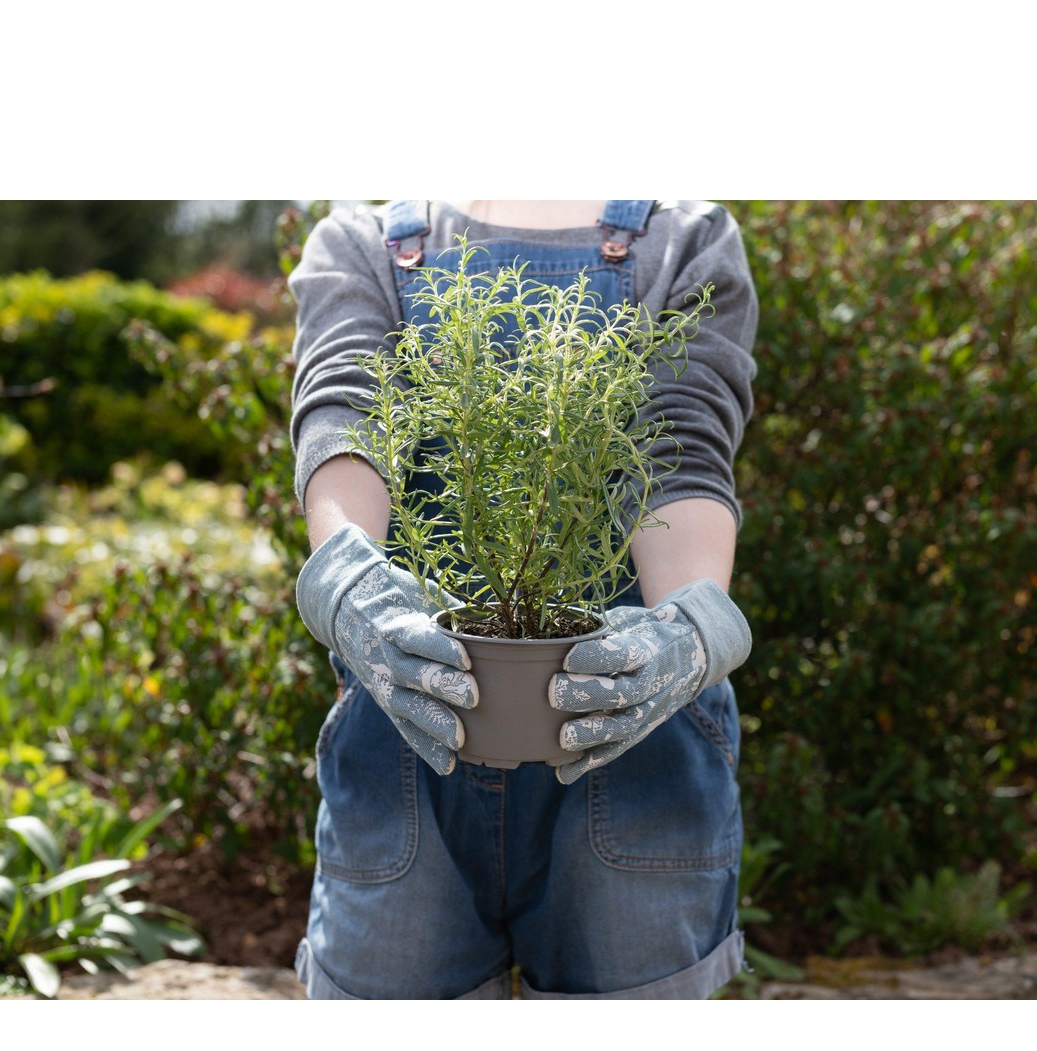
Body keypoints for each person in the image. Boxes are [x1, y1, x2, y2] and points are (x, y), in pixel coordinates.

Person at [288, 199, 758, 999]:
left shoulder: (687, 237)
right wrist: (347, 578)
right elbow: (347, 414)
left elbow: (680, 436)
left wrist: (691, 623)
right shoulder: (364, 240)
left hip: (631, 721)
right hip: (409, 709)